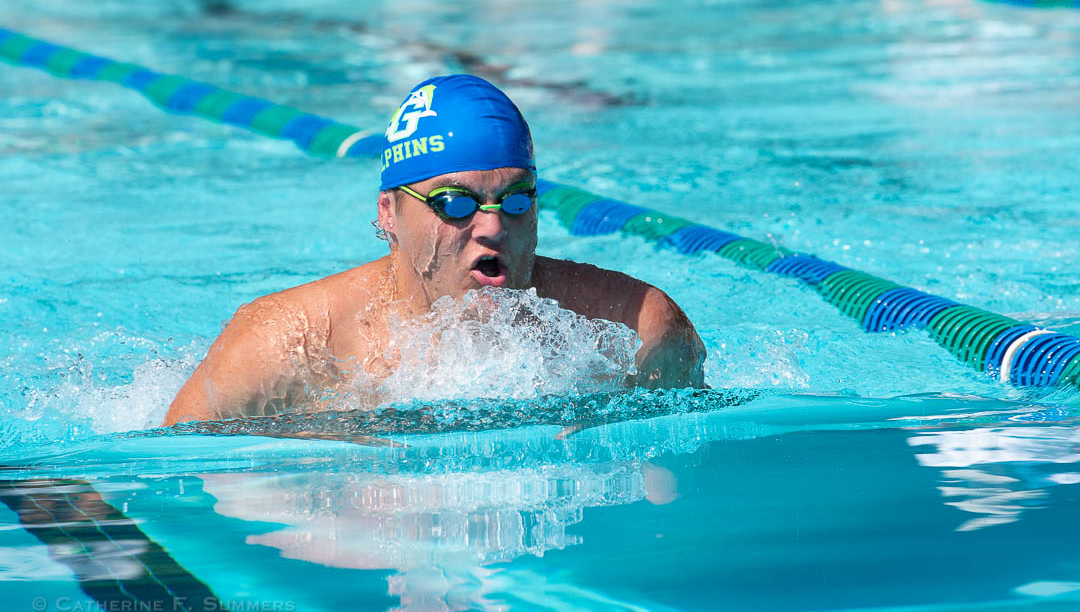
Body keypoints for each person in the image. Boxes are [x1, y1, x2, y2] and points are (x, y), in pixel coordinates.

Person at [163, 75, 704, 425]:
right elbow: (169, 481)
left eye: (516, 200)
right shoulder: (291, 341)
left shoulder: (616, 320)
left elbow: (671, 453)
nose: (492, 226)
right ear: (388, 213)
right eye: (455, 203)